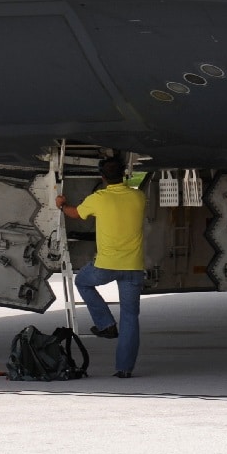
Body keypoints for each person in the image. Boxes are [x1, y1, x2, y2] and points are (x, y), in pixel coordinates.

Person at [55, 157, 147, 378]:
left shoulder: (99, 198)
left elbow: (75, 213)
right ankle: (124, 369)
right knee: (130, 317)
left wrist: (61, 205)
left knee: (82, 281)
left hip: (106, 265)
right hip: (134, 267)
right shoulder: (139, 196)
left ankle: (105, 324)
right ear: (125, 174)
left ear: (103, 177)